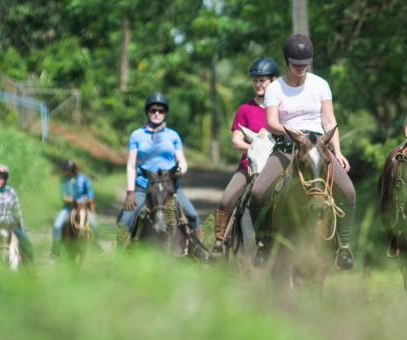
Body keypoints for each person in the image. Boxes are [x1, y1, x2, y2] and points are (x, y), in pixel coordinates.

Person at [249, 34, 356, 269]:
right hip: (288, 146)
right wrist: (293, 133)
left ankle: (344, 247)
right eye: (296, 64)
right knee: (257, 192)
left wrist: (337, 152)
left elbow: (329, 121)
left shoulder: (320, 84)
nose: (301, 68)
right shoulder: (275, 88)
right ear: (287, 60)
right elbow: (272, 123)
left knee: (348, 192)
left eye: (305, 64)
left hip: (318, 146)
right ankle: (263, 244)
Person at [212, 57, 280, 255]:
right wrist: (257, 149)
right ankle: (219, 244)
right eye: (255, 80)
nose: (258, 85)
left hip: (277, 167)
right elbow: (236, 142)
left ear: (273, 81)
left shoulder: (281, 110)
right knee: (226, 200)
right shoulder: (245, 109)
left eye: (263, 80)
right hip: (249, 168)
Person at [117, 93, 202, 240]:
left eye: (160, 110)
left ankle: (201, 257)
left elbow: (182, 162)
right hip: (144, 187)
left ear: (165, 113)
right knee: (124, 222)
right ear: (148, 112)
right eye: (153, 110)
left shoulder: (173, 136)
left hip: (170, 187)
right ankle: (121, 260)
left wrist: (179, 173)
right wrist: (130, 192)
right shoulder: (136, 135)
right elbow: (131, 165)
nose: (156, 113)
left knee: (193, 217)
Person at [0, 165, 35, 262]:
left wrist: (22, 227)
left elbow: (17, 212)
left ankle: (30, 269)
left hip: (10, 225)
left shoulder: (11, 192)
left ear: (5, 180)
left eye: (1, 179)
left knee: (28, 243)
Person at [51, 160, 100, 257]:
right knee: (57, 225)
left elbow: (90, 195)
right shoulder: (63, 180)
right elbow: (63, 196)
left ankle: (95, 245)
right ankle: (55, 248)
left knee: (95, 224)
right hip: (68, 207)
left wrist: (91, 208)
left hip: (83, 207)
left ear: (71, 170)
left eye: (66, 169)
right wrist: (73, 201)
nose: (64, 171)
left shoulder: (84, 179)